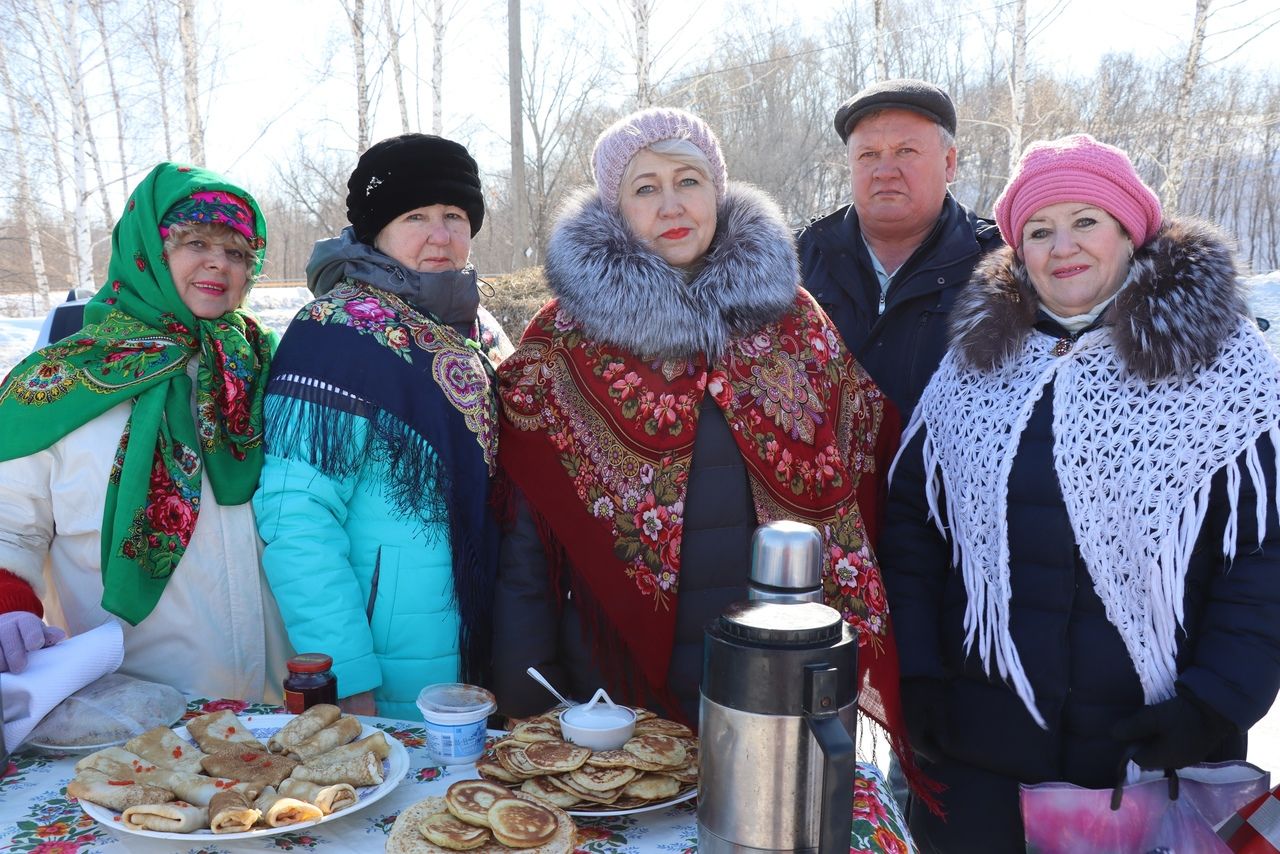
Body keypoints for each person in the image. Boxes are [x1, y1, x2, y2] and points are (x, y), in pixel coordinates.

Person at [881, 134, 1280, 851]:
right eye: (1040, 230)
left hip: (1153, 754)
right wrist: (919, 675)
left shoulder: (1224, 365)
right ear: (1018, 251)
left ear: (1130, 231)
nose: (1063, 246)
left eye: (1086, 221)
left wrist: (1215, 702)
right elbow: (914, 530)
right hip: (982, 753)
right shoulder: (974, 366)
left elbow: (1265, 553)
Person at [491, 106, 908, 769]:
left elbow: (863, 482)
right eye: (645, 187)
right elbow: (526, 547)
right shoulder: (563, 340)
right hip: (614, 692)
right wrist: (527, 696)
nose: (671, 204)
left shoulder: (794, 320)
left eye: (688, 180)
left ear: (717, 190)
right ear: (615, 209)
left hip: (781, 683)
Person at [0, 162, 290, 701]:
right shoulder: (58, 381)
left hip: (276, 705)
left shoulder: (269, 367)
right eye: (195, 242)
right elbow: (9, 524)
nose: (217, 263)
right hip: (135, 710)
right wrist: (7, 603)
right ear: (148, 251)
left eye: (237, 252)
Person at [253, 133, 512, 720]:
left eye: (454, 215)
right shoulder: (333, 333)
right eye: (415, 215)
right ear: (376, 229)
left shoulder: (480, 329)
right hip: (390, 665)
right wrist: (345, 675)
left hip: (485, 645)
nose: (440, 234)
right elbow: (298, 518)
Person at [796, 78, 1002, 417]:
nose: (884, 171)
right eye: (868, 154)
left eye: (905, 151)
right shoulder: (793, 261)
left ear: (949, 162)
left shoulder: (1000, 267)